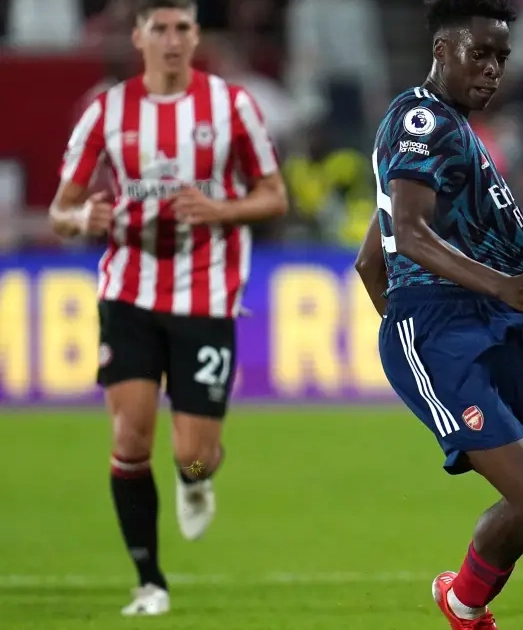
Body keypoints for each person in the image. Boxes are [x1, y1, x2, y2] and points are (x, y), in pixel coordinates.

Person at [354, 2, 523, 629]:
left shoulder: (450, 130)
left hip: (488, 321)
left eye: (502, 57)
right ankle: (463, 603)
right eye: (479, 54)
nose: (493, 70)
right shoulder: (421, 119)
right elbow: (410, 235)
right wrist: (423, 339)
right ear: (441, 50)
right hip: (441, 330)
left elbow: (373, 258)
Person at [48, 0, 287, 616]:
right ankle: (149, 582)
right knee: (129, 437)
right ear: (138, 36)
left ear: (197, 34)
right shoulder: (106, 110)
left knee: (193, 453)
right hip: (128, 292)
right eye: (160, 28)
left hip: (206, 295)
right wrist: (81, 217)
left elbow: (274, 196)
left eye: (183, 27)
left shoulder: (232, 106)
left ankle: (195, 480)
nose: (173, 40)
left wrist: (221, 210)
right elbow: (60, 209)